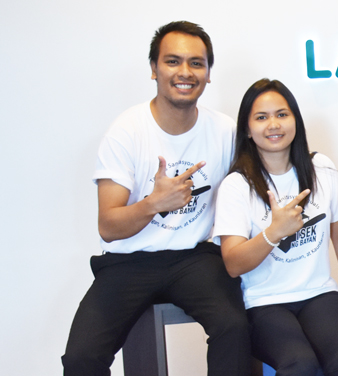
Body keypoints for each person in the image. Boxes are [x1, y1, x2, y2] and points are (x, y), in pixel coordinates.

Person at [62, 21, 251, 375]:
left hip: (194, 258)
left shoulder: (224, 130)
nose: (185, 72)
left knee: (234, 328)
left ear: (209, 74)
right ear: (153, 69)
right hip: (128, 260)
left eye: (196, 63)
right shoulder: (127, 131)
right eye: (172, 61)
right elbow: (108, 227)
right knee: (81, 359)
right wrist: (153, 203)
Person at [212, 79, 338, 376]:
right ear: (246, 129)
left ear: (296, 120)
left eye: (282, 114)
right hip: (264, 303)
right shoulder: (237, 185)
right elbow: (233, 264)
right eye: (261, 117)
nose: (274, 124)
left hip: (319, 294)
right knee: (300, 365)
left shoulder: (321, 168)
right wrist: (273, 233)